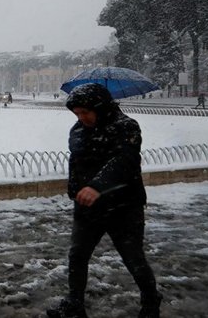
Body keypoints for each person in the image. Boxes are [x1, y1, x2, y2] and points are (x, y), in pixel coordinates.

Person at [47, 83, 161, 318]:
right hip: (89, 208)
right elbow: (76, 164)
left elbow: (124, 162)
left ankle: (151, 300)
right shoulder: (78, 130)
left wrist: (96, 186)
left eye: (85, 112)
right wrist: (76, 190)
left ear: (101, 107)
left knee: (132, 257)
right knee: (78, 255)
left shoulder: (126, 127)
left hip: (124, 206)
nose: (82, 117)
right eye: (77, 113)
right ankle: (75, 302)